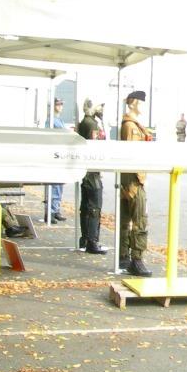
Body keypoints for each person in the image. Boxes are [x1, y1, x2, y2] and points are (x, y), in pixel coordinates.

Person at [119, 90, 153, 277]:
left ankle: (124, 256)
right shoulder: (131, 126)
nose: (143, 106)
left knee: (126, 220)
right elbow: (133, 155)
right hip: (133, 179)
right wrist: (139, 180)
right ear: (134, 103)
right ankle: (136, 259)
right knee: (139, 220)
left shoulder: (130, 124)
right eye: (141, 102)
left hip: (129, 179)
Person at [76, 99, 108, 255]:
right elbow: (96, 147)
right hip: (92, 172)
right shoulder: (92, 124)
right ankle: (92, 241)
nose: (101, 109)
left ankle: (86, 238)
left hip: (86, 171)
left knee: (86, 207)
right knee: (94, 207)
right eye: (100, 106)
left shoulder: (85, 122)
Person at [46, 98, 68, 223]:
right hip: (54, 154)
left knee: (59, 185)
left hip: (60, 154)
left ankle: (56, 209)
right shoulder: (50, 120)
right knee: (54, 185)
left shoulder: (59, 120)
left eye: (61, 104)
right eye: (58, 104)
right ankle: (51, 211)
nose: (60, 106)